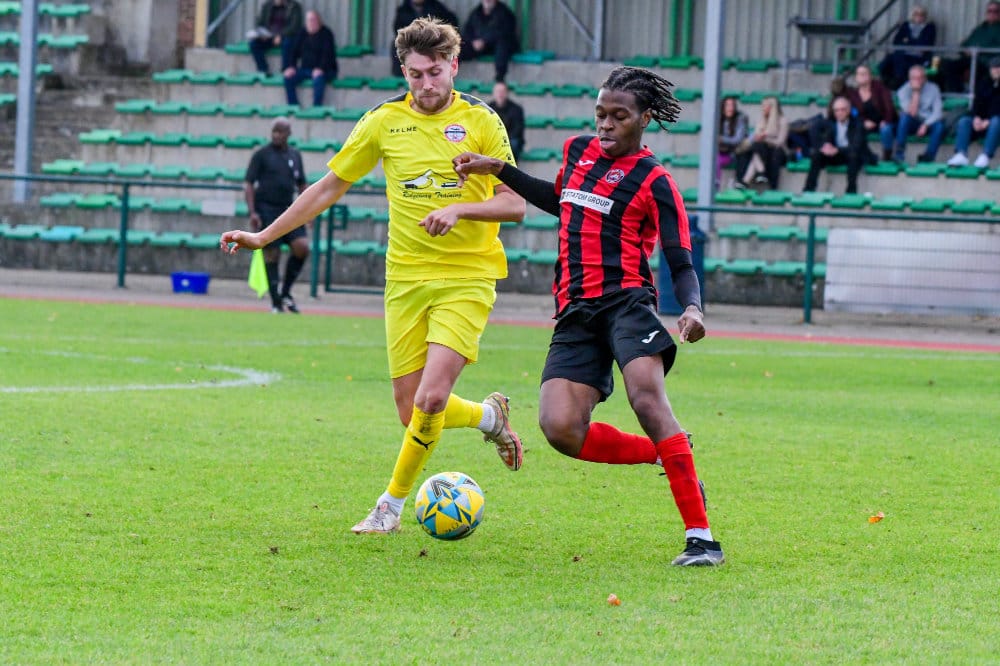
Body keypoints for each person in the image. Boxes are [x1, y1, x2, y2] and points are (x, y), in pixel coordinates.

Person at [221, 17, 526, 533]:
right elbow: (327, 186)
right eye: (415, 75)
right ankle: (489, 417)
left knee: (431, 398)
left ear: (454, 66)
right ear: (403, 72)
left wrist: (460, 210)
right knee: (412, 413)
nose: (426, 85)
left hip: (467, 276)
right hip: (404, 279)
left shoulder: (482, 121)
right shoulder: (384, 121)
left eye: (435, 73)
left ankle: (390, 506)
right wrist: (264, 236)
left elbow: (514, 204)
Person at [453, 66, 725, 567]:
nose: (605, 123)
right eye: (600, 113)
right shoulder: (577, 151)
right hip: (576, 310)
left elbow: (680, 259)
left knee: (646, 398)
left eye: (619, 115)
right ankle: (668, 454)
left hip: (627, 303)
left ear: (644, 118)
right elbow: (560, 200)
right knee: (560, 428)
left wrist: (692, 307)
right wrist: (499, 169)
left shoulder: (656, 181)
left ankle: (702, 538)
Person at [243, 117, 309, 313]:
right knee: (272, 253)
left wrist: (309, 211)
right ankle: (275, 301)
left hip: (289, 210)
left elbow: (302, 184)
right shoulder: (261, 155)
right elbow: (249, 184)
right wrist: (253, 212)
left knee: (302, 248)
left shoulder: (295, 155)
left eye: (281, 131)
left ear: (288, 134)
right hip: (267, 209)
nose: (277, 135)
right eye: (274, 131)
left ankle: (286, 292)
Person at [803, 96, 868, 194]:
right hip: (834, 154)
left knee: (853, 156)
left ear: (849, 110)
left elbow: (856, 146)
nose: (839, 113)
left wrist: (837, 150)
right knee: (816, 155)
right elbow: (813, 129)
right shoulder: (830, 122)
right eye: (836, 110)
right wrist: (823, 147)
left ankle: (851, 192)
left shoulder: (858, 124)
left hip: (850, 154)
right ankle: (808, 189)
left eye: (842, 110)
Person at [946, 56, 1000, 168]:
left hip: (995, 124)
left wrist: (988, 121)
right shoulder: (983, 83)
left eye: (998, 67)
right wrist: (976, 118)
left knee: (996, 121)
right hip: (981, 123)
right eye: (994, 67)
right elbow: (976, 105)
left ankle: (985, 156)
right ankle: (961, 154)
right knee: (965, 121)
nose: (996, 70)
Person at [938, 1, 1000, 93]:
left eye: (995, 11)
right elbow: (963, 45)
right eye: (989, 11)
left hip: (986, 62)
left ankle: (974, 97)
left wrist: (979, 51)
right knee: (946, 64)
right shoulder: (980, 29)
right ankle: (956, 94)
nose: (992, 13)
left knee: (978, 72)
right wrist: (965, 51)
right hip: (969, 59)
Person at [888, 64, 945, 163]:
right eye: (914, 78)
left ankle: (928, 157)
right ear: (909, 79)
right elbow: (911, 113)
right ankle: (899, 154)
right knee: (904, 117)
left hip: (928, 122)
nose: (917, 81)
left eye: (920, 78)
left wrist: (925, 125)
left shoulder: (934, 88)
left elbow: (938, 112)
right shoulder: (903, 91)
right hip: (912, 122)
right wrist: (916, 92)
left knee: (939, 126)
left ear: (925, 78)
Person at [282, 10, 339, 107]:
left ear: (319, 21)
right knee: (288, 77)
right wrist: (291, 67)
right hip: (306, 69)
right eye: (309, 20)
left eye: (313, 20)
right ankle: (293, 105)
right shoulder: (302, 33)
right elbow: (294, 52)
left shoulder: (326, 34)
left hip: (326, 70)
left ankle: (316, 107)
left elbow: (328, 55)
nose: (311, 23)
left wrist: (320, 68)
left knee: (318, 79)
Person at [390, 0, 459, 76]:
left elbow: (451, 22)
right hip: (411, 41)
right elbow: (398, 29)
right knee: (396, 45)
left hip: (431, 41)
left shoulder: (436, 7)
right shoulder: (403, 9)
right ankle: (400, 76)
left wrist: (436, 34)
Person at [846, 63, 898, 162]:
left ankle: (887, 155)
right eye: (859, 74)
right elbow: (853, 112)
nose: (861, 76)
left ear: (870, 76)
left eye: (864, 74)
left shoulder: (880, 88)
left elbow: (889, 107)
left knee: (886, 129)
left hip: (884, 121)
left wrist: (885, 120)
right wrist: (864, 121)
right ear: (856, 77)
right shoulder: (853, 94)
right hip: (867, 124)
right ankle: (863, 156)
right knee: (856, 129)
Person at [878, 5, 936, 90]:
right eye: (916, 14)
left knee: (901, 61)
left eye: (922, 14)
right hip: (903, 54)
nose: (919, 17)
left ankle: (898, 81)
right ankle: (886, 84)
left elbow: (926, 43)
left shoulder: (930, 27)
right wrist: (913, 42)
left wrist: (907, 41)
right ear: (912, 15)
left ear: (925, 16)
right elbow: (896, 41)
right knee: (887, 61)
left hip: (919, 57)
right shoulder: (906, 25)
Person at [736, 96, 788, 189]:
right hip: (763, 150)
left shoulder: (783, 120)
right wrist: (758, 138)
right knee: (755, 147)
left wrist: (765, 138)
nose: (762, 108)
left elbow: (780, 142)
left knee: (761, 151)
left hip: (778, 150)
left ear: (772, 107)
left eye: (765, 105)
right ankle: (759, 173)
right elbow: (756, 137)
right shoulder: (761, 120)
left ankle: (751, 178)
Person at [459, 0, 519, 82]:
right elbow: (467, 32)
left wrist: (484, 41)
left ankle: (500, 80)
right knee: (458, 46)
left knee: (503, 44)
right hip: (479, 47)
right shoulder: (476, 13)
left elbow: (505, 33)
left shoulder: (505, 13)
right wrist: (473, 41)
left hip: (497, 48)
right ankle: (449, 75)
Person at [247, 0, 303, 77]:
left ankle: (285, 69)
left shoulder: (294, 6)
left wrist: (280, 35)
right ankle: (263, 69)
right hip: (269, 36)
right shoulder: (267, 5)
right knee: (253, 44)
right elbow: (260, 23)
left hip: (286, 36)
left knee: (288, 43)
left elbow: (295, 26)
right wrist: (261, 34)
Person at [488, 81, 525, 162]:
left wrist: (503, 140)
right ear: (494, 93)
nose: (500, 94)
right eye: (498, 91)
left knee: (513, 144)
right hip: (494, 139)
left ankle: (510, 166)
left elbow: (517, 130)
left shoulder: (516, 109)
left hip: (510, 139)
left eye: (502, 91)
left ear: (507, 93)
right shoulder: (488, 108)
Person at [717, 95, 749, 187]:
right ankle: (715, 184)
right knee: (714, 158)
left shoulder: (740, 119)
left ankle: (716, 184)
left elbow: (737, 139)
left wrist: (722, 139)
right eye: (727, 105)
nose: (730, 108)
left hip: (735, 152)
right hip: (721, 152)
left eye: (732, 105)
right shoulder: (718, 119)